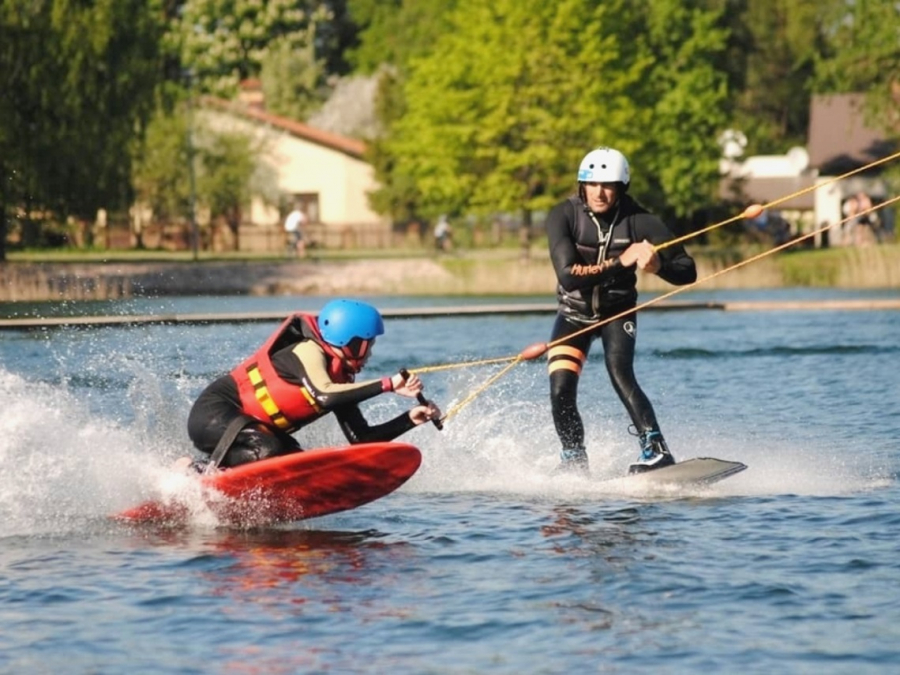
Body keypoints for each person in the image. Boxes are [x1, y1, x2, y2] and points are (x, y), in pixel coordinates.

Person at [544, 147, 697, 475]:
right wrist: (622, 261)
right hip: (574, 314)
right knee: (560, 387)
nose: (600, 192)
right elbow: (568, 276)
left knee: (621, 373)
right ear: (581, 185)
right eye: (593, 184)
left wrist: (658, 267)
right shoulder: (563, 215)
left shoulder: (641, 220)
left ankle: (656, 450)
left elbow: (688, 270)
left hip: (617, 313)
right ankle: (574, 459)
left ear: (621, 187)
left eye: (609, 185)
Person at [185, 299, 442, 471]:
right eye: (369, 345)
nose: (370, 353)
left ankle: (203, 473)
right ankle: (192, 472)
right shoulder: (307, 352)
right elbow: (324, 396)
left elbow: (361, 438)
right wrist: (388, 384)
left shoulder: (340, 379)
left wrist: (410, 419)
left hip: (250, 429)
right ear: (352, 341)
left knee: (296, 463)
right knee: (269, 451)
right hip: (214, 415)